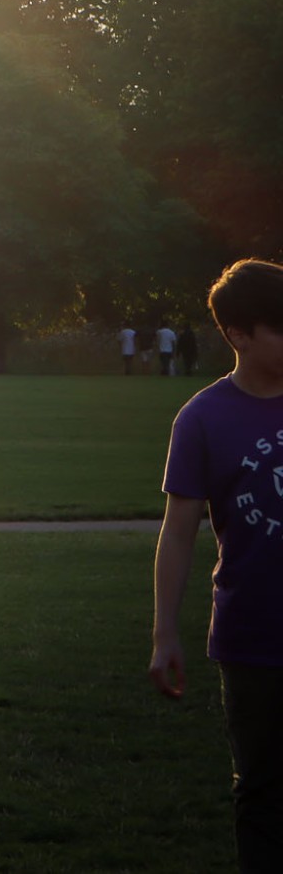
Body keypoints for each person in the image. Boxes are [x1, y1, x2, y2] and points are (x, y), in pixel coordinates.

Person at [149, 258, 283, 873]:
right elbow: (178, 533)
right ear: (238, 335)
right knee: (262, 789)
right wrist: (165, 634)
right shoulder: (203, 418)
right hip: (252, 637)